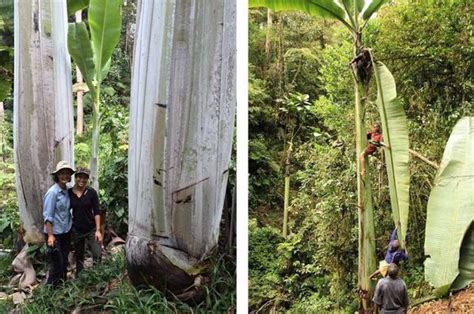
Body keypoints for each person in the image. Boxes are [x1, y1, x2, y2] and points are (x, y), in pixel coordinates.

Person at [43, 160, 75, 286]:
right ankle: (50, 290)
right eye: (62, 173)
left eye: (67, 173)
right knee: (57, 263)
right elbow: (47, 216)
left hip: (65, 231)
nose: (65, 176)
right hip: (54, 234)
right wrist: (50, 236)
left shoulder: (68, 190)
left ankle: (62, 285)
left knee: (64, 261)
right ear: (57, 175)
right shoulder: (52, 193)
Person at [69, 167, 102, 277]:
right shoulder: (69, 193)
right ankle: (80, 278)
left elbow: (97, 211)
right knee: (79, 256)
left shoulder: (91, 192)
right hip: (77, 229)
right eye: (79, 177)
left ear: (87, 179)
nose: (81, 180)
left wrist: (98, 230)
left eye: (84, 177)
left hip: (91, 228)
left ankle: (97, 276)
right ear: (75, 177)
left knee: (97, 253)